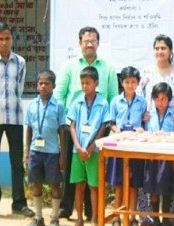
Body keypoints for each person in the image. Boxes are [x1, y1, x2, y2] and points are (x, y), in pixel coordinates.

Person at [53, 26, 118, 220]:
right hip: (72, 125)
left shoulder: (108, 68)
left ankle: (91, 211)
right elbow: (59, 95)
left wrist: (111, 127)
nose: (89, 44)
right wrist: (64, 123)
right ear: (79, 42)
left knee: (93, 171)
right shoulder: (69, 66)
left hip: (100, 128)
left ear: (98, 43)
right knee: (71, 168)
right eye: (86, 40)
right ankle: (66, 207)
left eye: (93, 40)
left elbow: (113, 97)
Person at [136, 34, 174, 224]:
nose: (160, 52)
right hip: (151, 131)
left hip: (173, 132)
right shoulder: (146, 72)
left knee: (170, 176)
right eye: (157, 48)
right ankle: (150, 217)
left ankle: (171, 217)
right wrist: (142, 119)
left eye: (164, 48)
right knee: (150, 176)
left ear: (171, 50)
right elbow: (139, 99)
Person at [0, 22, 35, 220]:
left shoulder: (20, 62)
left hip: (14, 116)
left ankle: (19, 203)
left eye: (7, 38)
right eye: (0, 39)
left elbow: (19, 88)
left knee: (16, 161)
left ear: (12, 38)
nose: (4, 42)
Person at [67, 66, 110, 226]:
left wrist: (91, 147)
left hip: (95, 152)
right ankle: (79, 219)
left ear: (96, 83)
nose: (84, 86)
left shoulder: (103, 103)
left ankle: (94, 218)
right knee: (79, 185)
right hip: (77, 151)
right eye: (82, 83)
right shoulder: (77, 102)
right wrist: (78, 147)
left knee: (94, 186)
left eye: (88, 83)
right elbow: (72, 126)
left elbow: (103, 127)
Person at [106, 66, 147, 226]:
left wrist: (141, 128)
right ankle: (117, 215)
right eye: (127, 82)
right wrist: (118, 132)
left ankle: (132, 216)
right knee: (119, 182)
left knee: (134, 182)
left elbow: (144, 123)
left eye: (133, 82)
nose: (130, 85)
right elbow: (112, 123)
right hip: (119, 144)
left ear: (138, 83)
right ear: (122, 83)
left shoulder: (142, 102)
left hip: (135, 146)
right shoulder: (115, 101)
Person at [25, 70, 66, 226]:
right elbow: (29, 130)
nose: (43, 86)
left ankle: (54, 217)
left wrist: (62, 155)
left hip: (52, 152)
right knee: (36, 183)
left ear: (53, 86)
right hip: (35, 151)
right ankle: (38, 217)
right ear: (37, 85)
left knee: (55, 183)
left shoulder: (58, 105)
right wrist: (27, 152)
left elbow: (62, 130)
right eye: (40, 83)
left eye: (46, 83)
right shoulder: (32, 105)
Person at [139, 82, 174, 226]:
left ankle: (166, 218)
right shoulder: (148, 115)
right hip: (152, 156)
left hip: (168, 156)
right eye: (157, 99)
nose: (160, 102)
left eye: (164, 99)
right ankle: (155, 218)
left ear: (169, 99)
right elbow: (144, 131)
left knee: (167, 188)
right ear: (153, 99)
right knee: (153, 187)